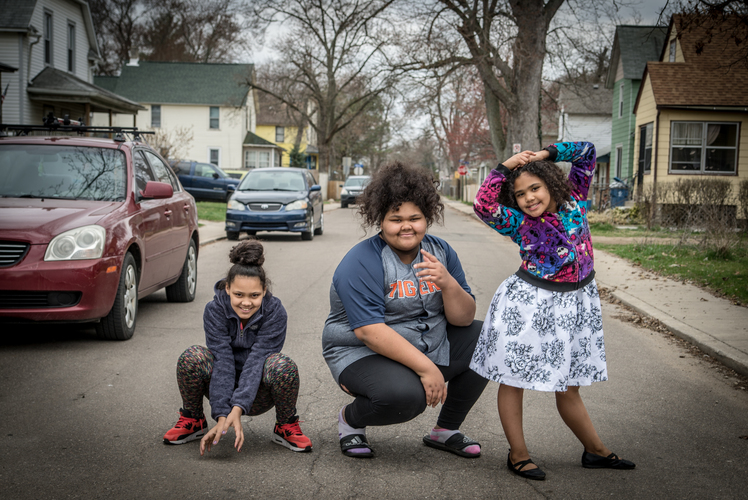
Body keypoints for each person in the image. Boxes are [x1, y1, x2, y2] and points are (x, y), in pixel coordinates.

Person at [470, 142, 635, 480]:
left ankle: (595, 450)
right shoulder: (518, 224)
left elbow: (587, 152)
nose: (529, 198)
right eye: (520, 194)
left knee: (568, 384)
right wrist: (505, 167)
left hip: (576, 304)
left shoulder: (575, 200)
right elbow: (483, 205)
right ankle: (518, 454)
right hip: (529, 305)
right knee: (513, 379)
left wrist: (545, 155)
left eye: (535, 188)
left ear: (551, 184)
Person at [322, 161, 489, 459]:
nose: (406, 226)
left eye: (415, 217)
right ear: (380, 220)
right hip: (361, 352)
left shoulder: (441, 252)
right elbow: (369, 332)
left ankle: (445, 431)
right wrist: (427, 370)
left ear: (427, 217)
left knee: (487, 338)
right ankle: (351, 421)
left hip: (423, 342)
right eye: (395, 219)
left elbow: (462, 319)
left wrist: (448, 283)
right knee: (405, 398)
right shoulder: (361, 261)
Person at [162, 239, 312, 455]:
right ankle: (193, 418)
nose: (246, 303)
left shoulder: (275, 312)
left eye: (255, 295)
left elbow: (258, 360)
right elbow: (222, 359)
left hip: (258, 391)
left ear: (264, 290)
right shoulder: (214, 310)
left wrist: (238, 409)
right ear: (227, 288)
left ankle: (285, 424)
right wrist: (223, 415)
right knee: (193, 357)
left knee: (282, 365)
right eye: (238, 295)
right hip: (220, 387)